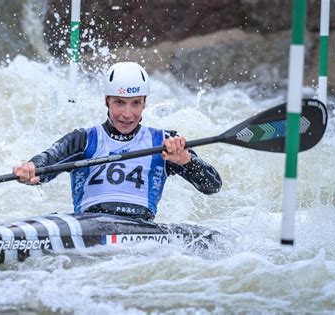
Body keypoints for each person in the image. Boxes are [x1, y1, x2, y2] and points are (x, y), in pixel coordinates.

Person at [13, 62, 221, 221]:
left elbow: (213, 186)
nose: (127, 114)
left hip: (141, 228)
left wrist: (185, 161)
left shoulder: (165, 142)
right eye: (119, 103)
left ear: (145, 103)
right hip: (89, 223)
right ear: (107, 101)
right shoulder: (85, 140)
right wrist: (32, 169)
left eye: (135, 103)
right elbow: (48, 160)